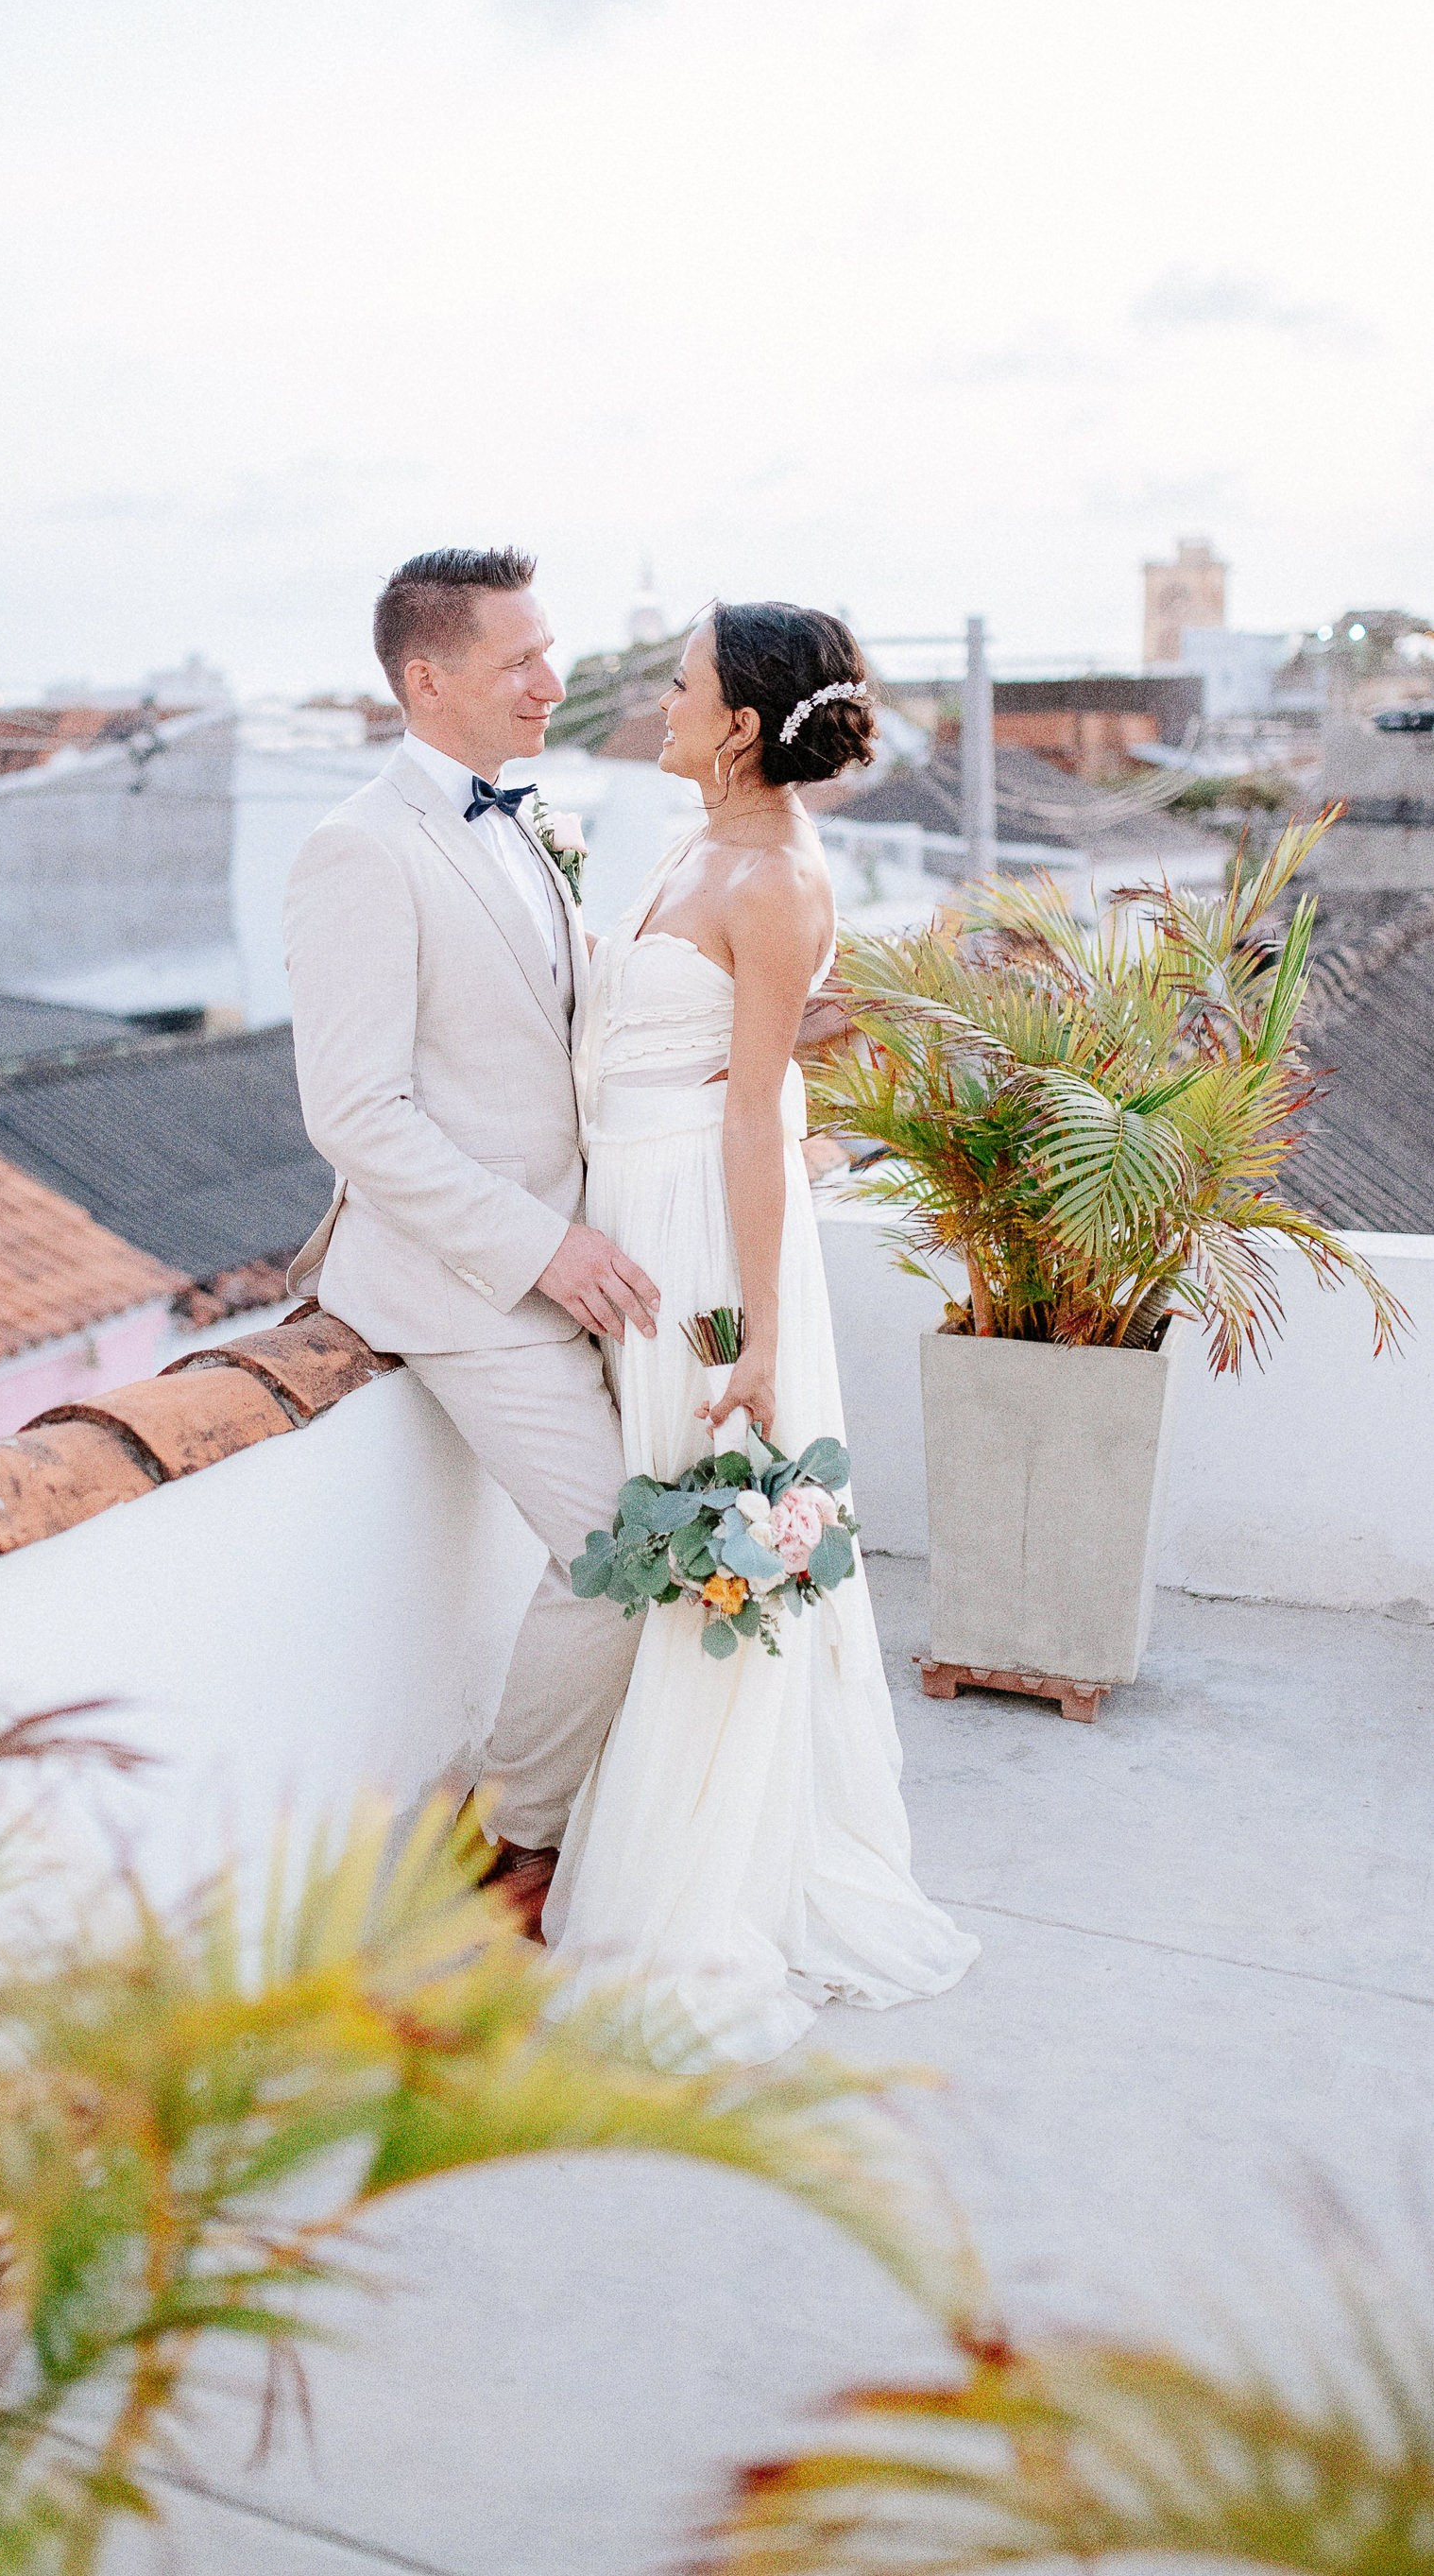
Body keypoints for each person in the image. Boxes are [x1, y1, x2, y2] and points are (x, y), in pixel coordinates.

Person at [542, 602, 979, 2063]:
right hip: (636, 1196)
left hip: (702, 1243)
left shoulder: (781, 875)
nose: (655, 701)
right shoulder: (698, 844)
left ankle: (697, 1882)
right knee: (658, 1513)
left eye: (678, 683)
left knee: (689, 1518)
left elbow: (757, 1113)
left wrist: (764, 1340)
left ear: (738, 723)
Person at [283, 546, 657, 1937]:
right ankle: (507, 1838)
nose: (552, 683)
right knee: (625, 1552)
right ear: (426, 680)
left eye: (549, 651)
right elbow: (358, 1116)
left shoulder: (524, 821)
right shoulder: (357, 851)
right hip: (461, 1287)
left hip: (581, 1258)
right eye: (520, 660)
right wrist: (539, 1250)